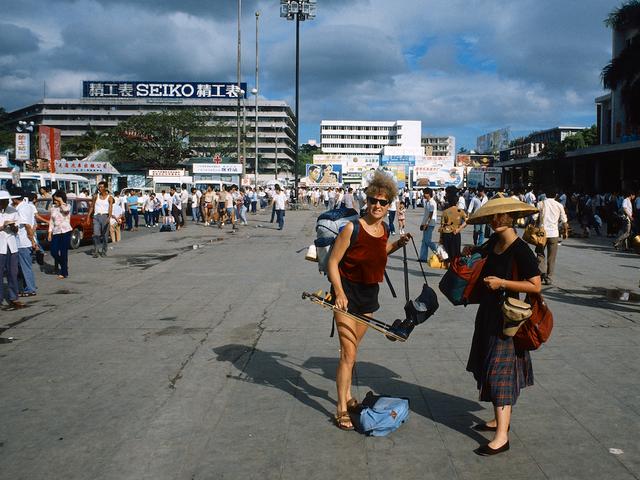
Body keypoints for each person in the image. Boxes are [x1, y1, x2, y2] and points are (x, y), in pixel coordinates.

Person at [326, 171, 411, 430]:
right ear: (367, 200)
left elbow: (378, 252)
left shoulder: (384, 229)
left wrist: (397, 244)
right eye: (373, 200)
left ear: (389, 205)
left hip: (369, 297)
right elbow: (332, 262)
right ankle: (341, 408)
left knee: (352, 353)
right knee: (348, 354)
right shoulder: (352, 228)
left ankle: (348, 396)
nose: (377, 205)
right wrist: (339, 293)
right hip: (346, 295)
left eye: (383, 202)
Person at [464, 196, 541, 456]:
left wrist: (503, 283)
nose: (495, 221)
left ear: (511, 218)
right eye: (492, 217)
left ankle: (502, 437)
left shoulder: (520, 249)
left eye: (500, 217)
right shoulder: (493, 243)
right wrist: (467, 254)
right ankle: (499, 420)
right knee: (488, 367)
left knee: (499, 374)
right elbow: (478, 257)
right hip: (487, 314)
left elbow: (535, 285)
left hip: (507, 321)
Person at [536, 188, 568, 285]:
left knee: (540, 254)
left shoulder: (540, 204)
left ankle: (541, 273)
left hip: (542, 233)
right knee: (552, 257)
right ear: (556, 195)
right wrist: (565, 232)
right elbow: (564, 221)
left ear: (545, 194)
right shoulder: (559, 205)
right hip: (554, 234)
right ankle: (549, 277)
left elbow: (534, 217)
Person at [10, 191, 38, 297]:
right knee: (23, 267)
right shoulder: (27, 206)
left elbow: (27, 226)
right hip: (24, 242)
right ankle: (27, 287)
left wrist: (32, 241)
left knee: (25, 267)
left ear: (14, 199)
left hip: (23, 242)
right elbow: (34, 224)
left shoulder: (21, 209)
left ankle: (30, 289)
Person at [0, 190, 25, 308]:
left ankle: (13, 297)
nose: (4, 204)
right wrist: (2, 226)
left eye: (5, 202)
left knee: (13, 273)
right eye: (2, 202)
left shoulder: (13, 211)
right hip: (0, 246)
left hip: (11, 245)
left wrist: (13, 226)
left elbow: (17, 229)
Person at [48, 190, 72, 279]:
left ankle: (64, 272)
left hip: (65, 231)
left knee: (63, 252)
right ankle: (63, 265)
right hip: (56, 231)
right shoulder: (53, 208)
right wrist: (49, 232)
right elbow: (51, 221)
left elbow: (65, 210)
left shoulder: (67, 206)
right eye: (54, 200)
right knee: (53, 251)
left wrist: (61, 201)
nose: (55, 202)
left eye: (57, 200)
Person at [86, 181, 114, 258]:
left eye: (101, 187)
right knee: (96, 234)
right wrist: (88, 216)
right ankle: (96, 250)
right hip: (96, 217)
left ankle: (104, 251)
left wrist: (109, 217)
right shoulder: (95, 196)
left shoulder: (110, 197)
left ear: (105, 188)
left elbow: (110, 208)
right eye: (99, 187)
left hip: (105, 217)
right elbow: (92, 206)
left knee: (105, 236)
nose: (100, 188)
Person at [440, 187, 467, 261]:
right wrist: (459, 229)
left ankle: (450, 268)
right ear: (457, 201)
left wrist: (440, 238)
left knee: (448, 254)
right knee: (456, 254)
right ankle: (455, 269)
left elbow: (442, 226)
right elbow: (467, 221)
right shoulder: (460, 211)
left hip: (446, 234)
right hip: (456, 234)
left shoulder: (445, 212)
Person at [419, 187, 439, 262]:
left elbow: (431, 214)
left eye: (425, 193)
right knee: (424, 241)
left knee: (427, 240)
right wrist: (423, 223)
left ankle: (438, 251)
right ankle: (423, 258)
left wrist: (426, 224)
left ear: (429, 194)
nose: (424, 194)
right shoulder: (427, 202)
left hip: (430, 223)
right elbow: (426, 214)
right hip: (426, 223)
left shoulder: (432, 202)